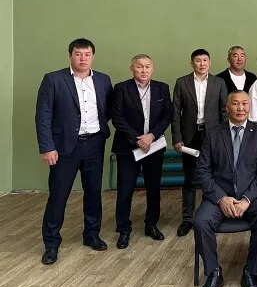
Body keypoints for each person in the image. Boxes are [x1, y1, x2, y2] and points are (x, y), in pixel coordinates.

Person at [36, 38, 113, 265]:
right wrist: (48, 147)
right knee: (58, 195)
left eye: (87, 54)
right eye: (78, 54)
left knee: (93, 192)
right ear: (70, 55)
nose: (82, 58)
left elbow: (107, 109)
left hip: (94, 144)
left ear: (93, 56)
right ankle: (51, 244)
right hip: (64, 148)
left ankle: (91, 234)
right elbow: (43, 116)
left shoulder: (103, 80)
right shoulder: (53, 79)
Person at [194, 91, 257, 287]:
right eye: (235, 104)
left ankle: (251, 273)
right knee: (201, 222)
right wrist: (221, 198)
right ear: (227, 108)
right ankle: (213, 273)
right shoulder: (213, 133)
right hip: (219, 196)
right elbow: (202, 171)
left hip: (252, 196)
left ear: (250, 107)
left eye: (244, 103)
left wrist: (247, 199)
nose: (240, 108)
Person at [111, 54, 173, 249]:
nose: (144, 70)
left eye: (147, 66)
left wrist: (151, 136)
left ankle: (151, 224)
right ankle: (123, 229)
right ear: (132, 68)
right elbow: (117, 117)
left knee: (153, 187)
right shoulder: (121, 88)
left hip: (154, 146)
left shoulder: (162, 88)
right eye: (139, 66)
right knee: (125, 189)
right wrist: (138, 139)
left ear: (152, 69)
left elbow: (167, 115)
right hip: (128, 147)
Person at [172, 48, 228, 237]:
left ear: (209, 63)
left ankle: (209, 216)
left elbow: (224, 112)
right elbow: (175, 112)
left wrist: (224, 137)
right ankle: (187, 219)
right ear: (192, 63)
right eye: (198, 60)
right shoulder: (182, 82)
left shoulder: (219, 83)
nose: (202, 64)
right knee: (190, 179)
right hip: (190, 136)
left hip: (213, 135)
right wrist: (177, 138)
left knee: (213, 177)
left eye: (205, 60)